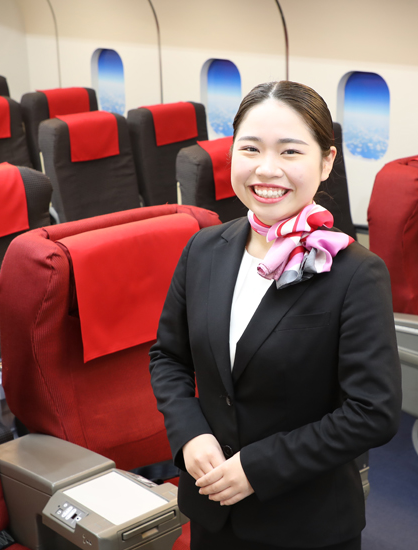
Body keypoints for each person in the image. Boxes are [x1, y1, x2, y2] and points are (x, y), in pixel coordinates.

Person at [149, 80, 401, 550]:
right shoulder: (203, 249)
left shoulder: (355, 273)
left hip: (305, 523)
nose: (266, 169)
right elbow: (168, 358)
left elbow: (373, 413)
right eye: (250, 149)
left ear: (326, 161)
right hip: (211, 506)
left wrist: (257, 467)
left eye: (290, 152)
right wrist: (190, 435)